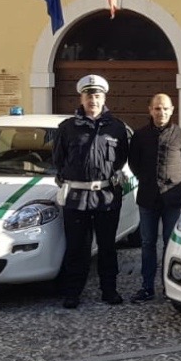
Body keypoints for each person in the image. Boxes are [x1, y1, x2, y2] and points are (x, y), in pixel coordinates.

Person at [53, 74, 130, 309]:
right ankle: (73, 293)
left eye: (97, 96)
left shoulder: (116, 128)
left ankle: (109, 290)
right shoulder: (67, 128)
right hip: (77, 197)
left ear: (104, 98)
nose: (92, 100)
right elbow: (59, 159)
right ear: (81, 98)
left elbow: (122, 158)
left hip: (106, 196)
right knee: (77, 248)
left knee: (107, 247)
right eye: (88, 96)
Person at [127, 93, 181, 303]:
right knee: (148, 243)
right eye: (157, 108)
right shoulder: (140, 136)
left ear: (172, 110)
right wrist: (148, 180)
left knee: (170, 243)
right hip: (147, 199)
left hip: (172, 200)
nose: (161, 112)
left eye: (165, 108)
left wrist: (173, 182)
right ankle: (147, 287)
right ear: (150, 110)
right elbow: (133, 163)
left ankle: (170, 286)